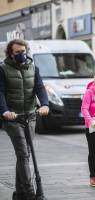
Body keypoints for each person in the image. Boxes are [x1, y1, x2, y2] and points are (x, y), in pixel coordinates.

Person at [0, 39, 49, 200]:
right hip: (13, 118)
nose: (21, 54)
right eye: (17, 52)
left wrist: (45, 104)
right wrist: (5, 111)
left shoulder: (33, 67)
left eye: (23, 51)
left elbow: (39, 88)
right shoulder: (2, 69)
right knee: (23, 153)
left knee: (24, 154)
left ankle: (19, 193)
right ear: (11, 53)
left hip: (30, 115)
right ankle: (29, 193)